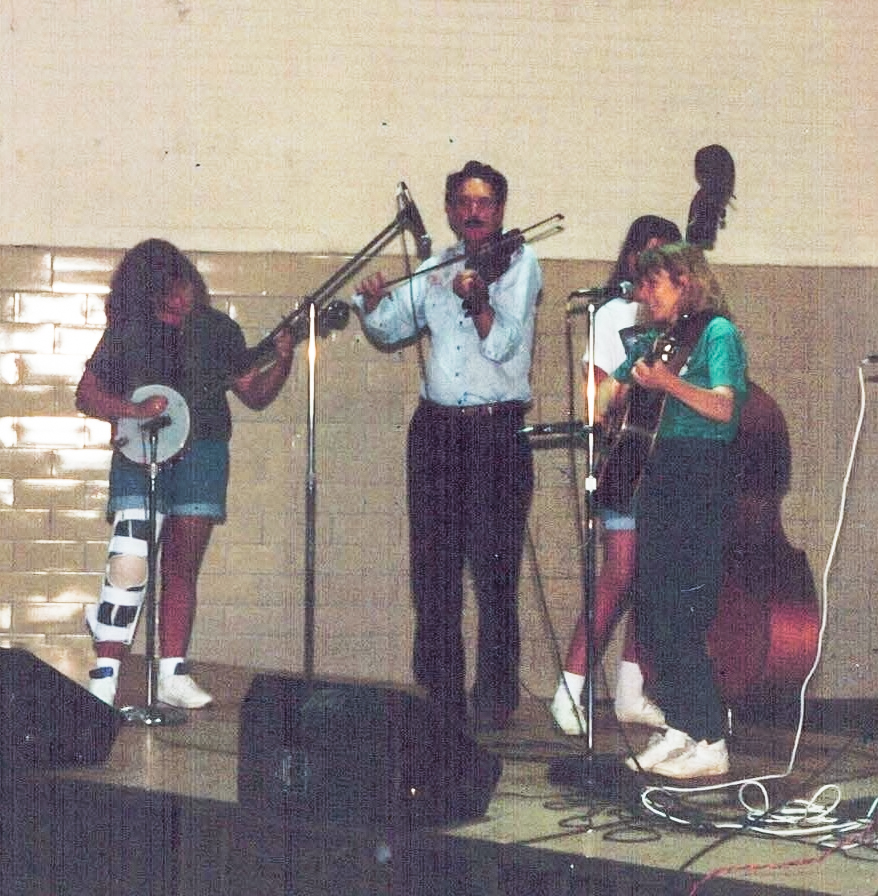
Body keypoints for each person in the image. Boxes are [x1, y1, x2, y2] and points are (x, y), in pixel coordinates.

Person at [353, 161, 542, 731]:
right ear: (451, 210)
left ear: (501, 210)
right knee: (432, 570)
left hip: (494, 432)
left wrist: (481, 301)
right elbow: (391, 330)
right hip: (437, 432)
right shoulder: (437, 266)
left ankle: (495, 699)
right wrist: (373, 301)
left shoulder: (519, 264)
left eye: (485, 203)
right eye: (464, 202)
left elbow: (505, 346)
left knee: (494, 572)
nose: (474, 212)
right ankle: (441, 697)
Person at [76, 239, 294, 708]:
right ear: (146, 293)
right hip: (140, 455)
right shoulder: (128, 331)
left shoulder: (218, 330)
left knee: (181, 566)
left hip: (203, 453)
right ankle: (105, 676)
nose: (178, 300)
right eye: (165, 293)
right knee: (129, 565)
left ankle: (172, 672)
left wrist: (284, 358)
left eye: (184, 289)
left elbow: (253, 394)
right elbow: (88, 394)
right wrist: (131, 410)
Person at [600, 242, 746, 778]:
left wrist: (667, 384)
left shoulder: (717, 334)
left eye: (653, 284)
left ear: (684, 282)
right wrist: (611, 403)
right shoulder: (661, 338)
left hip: (700, 476)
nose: (643, 294)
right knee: (655, 610)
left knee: (682, 615)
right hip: (658, 476)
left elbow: (725, 407)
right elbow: (615, 384)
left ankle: (711, 739)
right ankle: (683, 727)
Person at [550, 215, 681, 736]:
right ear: (629, 259)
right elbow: (597, 397)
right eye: (644, 254)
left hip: (667, 459)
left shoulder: (683, 317)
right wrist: (634, 380)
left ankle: (631, 689)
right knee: (620, 572)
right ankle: (569, 689)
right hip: (625, 456)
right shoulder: (611, 315)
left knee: (651, 579)